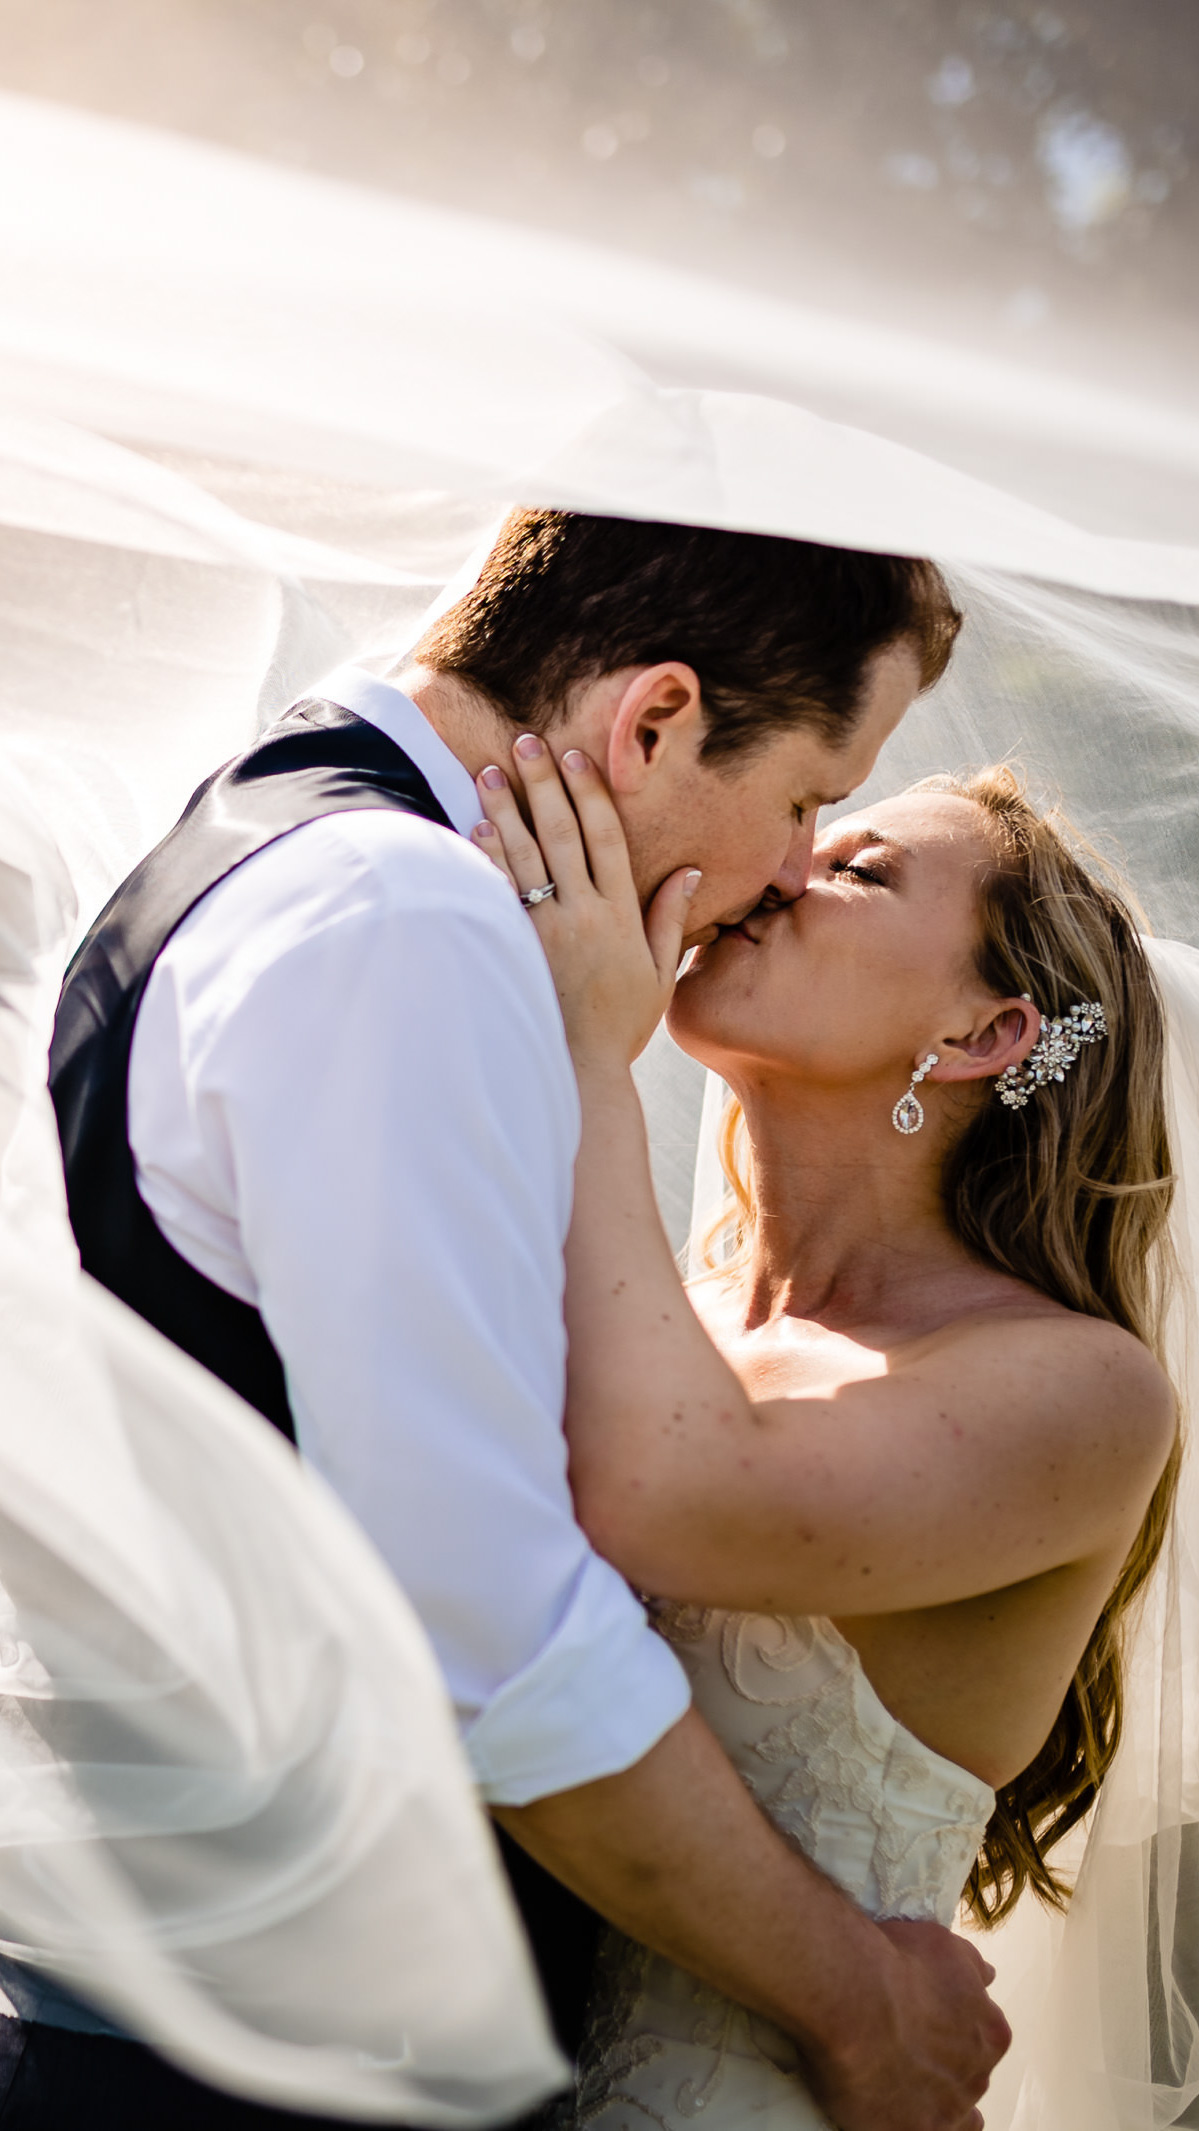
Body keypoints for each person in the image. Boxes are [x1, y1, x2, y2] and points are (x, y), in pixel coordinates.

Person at [44, 509, 1006, 2131]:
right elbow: (476, 1615)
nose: (789, 868)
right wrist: (862, 1998)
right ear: (652, 723)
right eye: (804, 801)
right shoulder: (399, 923)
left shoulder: (276, 821)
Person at [471, 746, 1179, 2131]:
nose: (781, 870)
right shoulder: (659, 1316)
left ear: (983, 1037)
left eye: (853, 868)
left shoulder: (1084, 1396)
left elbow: (660, 1501)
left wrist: (585, 1058)